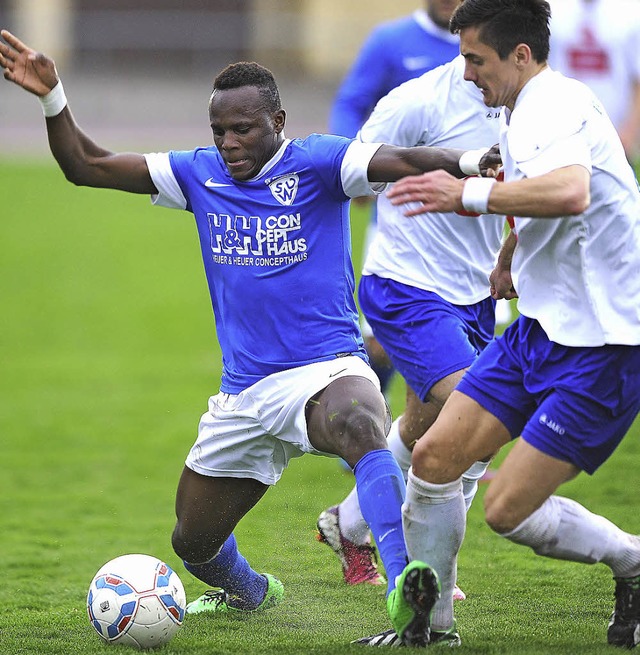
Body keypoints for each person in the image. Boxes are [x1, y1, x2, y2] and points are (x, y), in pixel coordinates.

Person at [0, 29, 500, 635]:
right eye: (220, 131)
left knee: (363, 424)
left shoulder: (319, 162)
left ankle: (402, 584)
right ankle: (253, 591)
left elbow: (403, 158)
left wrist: (471, 164)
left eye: (244, 129)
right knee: (193, 544)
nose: (230, 144)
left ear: (277, 121)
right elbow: (87, 166)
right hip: (244, 394)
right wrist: (53, 96)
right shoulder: (198, 174)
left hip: (326, 368)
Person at [370, 0, 640, 648]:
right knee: (435, 457)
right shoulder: (521, 110)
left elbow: (571, 190)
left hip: (604, 345)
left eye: (475, 59)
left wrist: (463, 193)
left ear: (521, 55)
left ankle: (634, 561)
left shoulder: (553, 104)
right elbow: (552, 192)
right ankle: (430, 630)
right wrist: (509, 256)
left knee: (505, 510)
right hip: (539, 330)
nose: (466, 74)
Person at [316, 53, 505, 609]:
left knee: (426, 426)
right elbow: (356, 173)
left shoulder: (539, 104)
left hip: (478, 291)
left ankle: (347, 524)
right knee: (481, 412)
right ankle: (432, 566)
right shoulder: (418, 99)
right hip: (407, 285)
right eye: (467, 52)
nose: (471, 69)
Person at [329, 1, 461, 398]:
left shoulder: (490, 45)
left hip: (473, 221)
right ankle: (369, 421)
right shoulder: (391, 40)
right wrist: (356, 166)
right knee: (382, 342)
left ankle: (411, 444)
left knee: (457, 348)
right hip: (403, 212)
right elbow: (350, 102)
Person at [547, 0, 640, 164]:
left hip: (615, 138)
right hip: (561, 136)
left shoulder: (630, 13)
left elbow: (637, 80)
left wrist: (629, 133)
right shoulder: (552, 11)